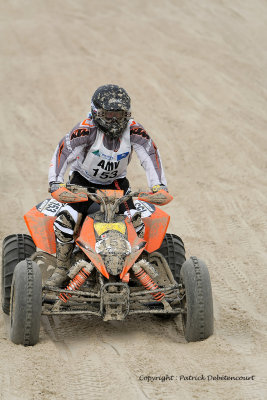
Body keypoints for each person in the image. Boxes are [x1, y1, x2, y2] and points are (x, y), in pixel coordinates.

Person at [46, 84, 168, 287]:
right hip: (82, 183)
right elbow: (63, 152)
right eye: (107, 113)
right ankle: (61, 267)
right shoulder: (84, 130)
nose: (113, 119)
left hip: (118, 185)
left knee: (135, 222)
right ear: (96, 112)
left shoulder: (135, 130)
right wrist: (56, 184)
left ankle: (134, 266)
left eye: (119, 114)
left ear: (127, 113)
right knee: (65, 221)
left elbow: (150, 154)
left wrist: (159, 186)